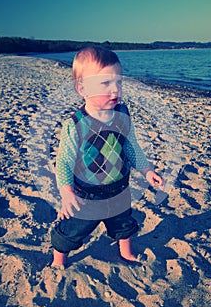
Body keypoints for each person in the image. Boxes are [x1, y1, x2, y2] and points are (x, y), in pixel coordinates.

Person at [51, 46, 164, 267]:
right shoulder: (75, 125)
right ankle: (58, 260)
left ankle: (126, 252)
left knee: (124, 224)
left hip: (119, 188)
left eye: (118, 82)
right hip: (87, 194)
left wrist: (147, 170)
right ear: (82, 88)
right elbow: (63, 161)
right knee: (71, 232)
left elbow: (131, 147)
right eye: (105, 84)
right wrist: (67, 193)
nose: (115, 90)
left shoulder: (122, 116)